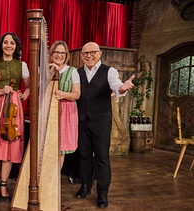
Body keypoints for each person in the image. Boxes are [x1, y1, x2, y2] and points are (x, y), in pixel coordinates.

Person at [75, 42, 134, 208]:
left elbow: (116, 86)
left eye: (92, 52)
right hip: (82, 121)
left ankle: (102, 193)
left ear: (99, 54)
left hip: (101, 121)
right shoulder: (77, 72)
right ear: (81, 56)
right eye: (85, 53)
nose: (89, 56)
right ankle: (85, 186)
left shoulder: (110, 71)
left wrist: (122, 88)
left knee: (102, 157)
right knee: (84, 156)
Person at [0, 32, 30, 205]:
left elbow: (30, 86)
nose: (9, 45)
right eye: (6, 42)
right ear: (1, 45)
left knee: (10, 147)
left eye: (12, 43)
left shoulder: (22, 65)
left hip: (14, 108)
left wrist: (25, 94)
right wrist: (0, 91)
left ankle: (3, 186)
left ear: (16, 47)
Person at [48, 40, 80, 170]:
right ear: (51, 54)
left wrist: (64, 94)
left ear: (66, 55)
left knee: (61, 149)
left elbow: (76, 94)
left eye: (62, 52)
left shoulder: (73, 71)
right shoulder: (44, 69)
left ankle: (54, 179)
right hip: (49, 111)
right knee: (47, 147)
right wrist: (49, 72)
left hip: (66, 112)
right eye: (56, 52)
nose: (59, 55)